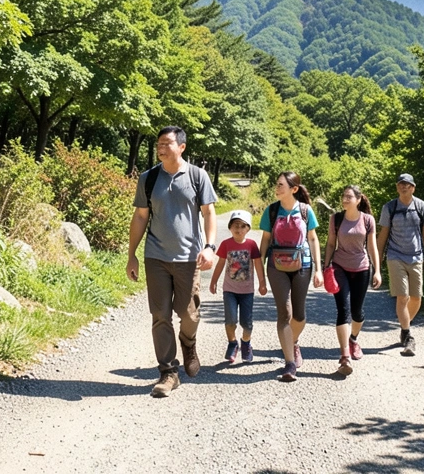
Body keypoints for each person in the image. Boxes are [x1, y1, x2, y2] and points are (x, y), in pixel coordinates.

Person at [126, 126, 218, 398]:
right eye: (159, 143)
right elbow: (141, 217)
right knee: (160, 316)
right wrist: (132, 254)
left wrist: (210, 247)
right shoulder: (149, 178)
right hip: (156, 256)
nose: (161, 147)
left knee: (189, 314)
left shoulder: (197, 176)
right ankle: (168, 372)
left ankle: (188, 342)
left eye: (167, 143)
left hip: (189, 258)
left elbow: (209, 213)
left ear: (182, 147)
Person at [258, 171, 323, 382]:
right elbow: (265, 240)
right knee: (284, 313)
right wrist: (259, 270)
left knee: (300, 316)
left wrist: (319, 269)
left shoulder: (306, 211)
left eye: (281, 185)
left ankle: (292, 342)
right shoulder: (271, 211)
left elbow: (313, 239)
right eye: (276, 185)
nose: (277, 188)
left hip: (302, 265)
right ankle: (289, 363)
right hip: (276, 266)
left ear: (294, 189)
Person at [321, 185, 381, 376]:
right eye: (343, 196)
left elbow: (372, 247)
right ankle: (344, 356)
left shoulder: (368, 220)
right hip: (340, 267)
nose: (345, 199)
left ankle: (353, 339)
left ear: (358, 199)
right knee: (343, 311)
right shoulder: (336, 219)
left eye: (349, 196)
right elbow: (331, 243)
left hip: (362, 268)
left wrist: (377, 271)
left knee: (357, 312)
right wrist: (325, 266)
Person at [376, 173, 424, 357]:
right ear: (397, 187)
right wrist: (377, 260)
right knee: (403, 296)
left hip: (416, 256)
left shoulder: (421, 206)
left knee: (416, 298)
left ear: (413, 188)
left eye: (408, 185)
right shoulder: (390, 207)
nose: (404, 187)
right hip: (395, 256)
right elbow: (383, 234)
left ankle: (404, 326)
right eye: (401, 184)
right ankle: (408, 335)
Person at [209, 210, 266, 364]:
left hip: (247, 291)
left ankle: (246, 343)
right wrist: (213, 281)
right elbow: (220, 264)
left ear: (248, 228)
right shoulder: (226, 244)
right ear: (230, 227)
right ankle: (233, 343)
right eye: (235, 226)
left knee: (247, 324)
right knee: (230, 321)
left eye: (242, 226)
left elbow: (258, 264)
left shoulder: (251, 245)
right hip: (230, 290)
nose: (238, 229)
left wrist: (262, 282)